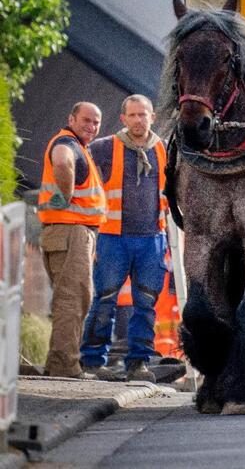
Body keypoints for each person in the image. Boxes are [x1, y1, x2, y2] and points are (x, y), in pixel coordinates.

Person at [80, 95, 169, 382]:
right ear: (123, 119)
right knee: (104, 299)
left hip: (152, 238)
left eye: (143, 115)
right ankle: (93, 361)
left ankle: (138, 363)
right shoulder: (104, 148)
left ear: (152, 117)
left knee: (146, 303)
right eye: (132, 115)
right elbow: (82, 175)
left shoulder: (163, 150)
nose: (138, 120)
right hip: (112, 237)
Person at [37, 102, 106, 379]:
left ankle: (60, 362)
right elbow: (63, 160)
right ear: (71, 119)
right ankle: (65, 366)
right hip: (70, 232)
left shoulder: (79, 145)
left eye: (96, 122)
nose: (91, 127)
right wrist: (64, 196)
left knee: (76, 299)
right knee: (72, 299)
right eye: (86, 121)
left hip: (72, 233)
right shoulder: (67, 142)